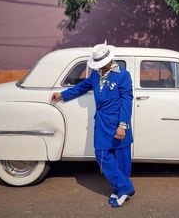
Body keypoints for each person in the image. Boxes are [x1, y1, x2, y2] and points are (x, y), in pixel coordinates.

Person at [51, 42, 135, 208]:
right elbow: (82, 87)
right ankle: (125, 187)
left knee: (122, 159)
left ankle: (118, 189)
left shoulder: (123, 75)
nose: (101, 67)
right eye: (98, 64)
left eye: (102, 64)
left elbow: (127, 100)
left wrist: (123, 125)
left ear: (110, 61)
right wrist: (62, 94)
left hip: (118, 122)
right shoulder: (96, 75)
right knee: (102, 155)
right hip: (102, 122)